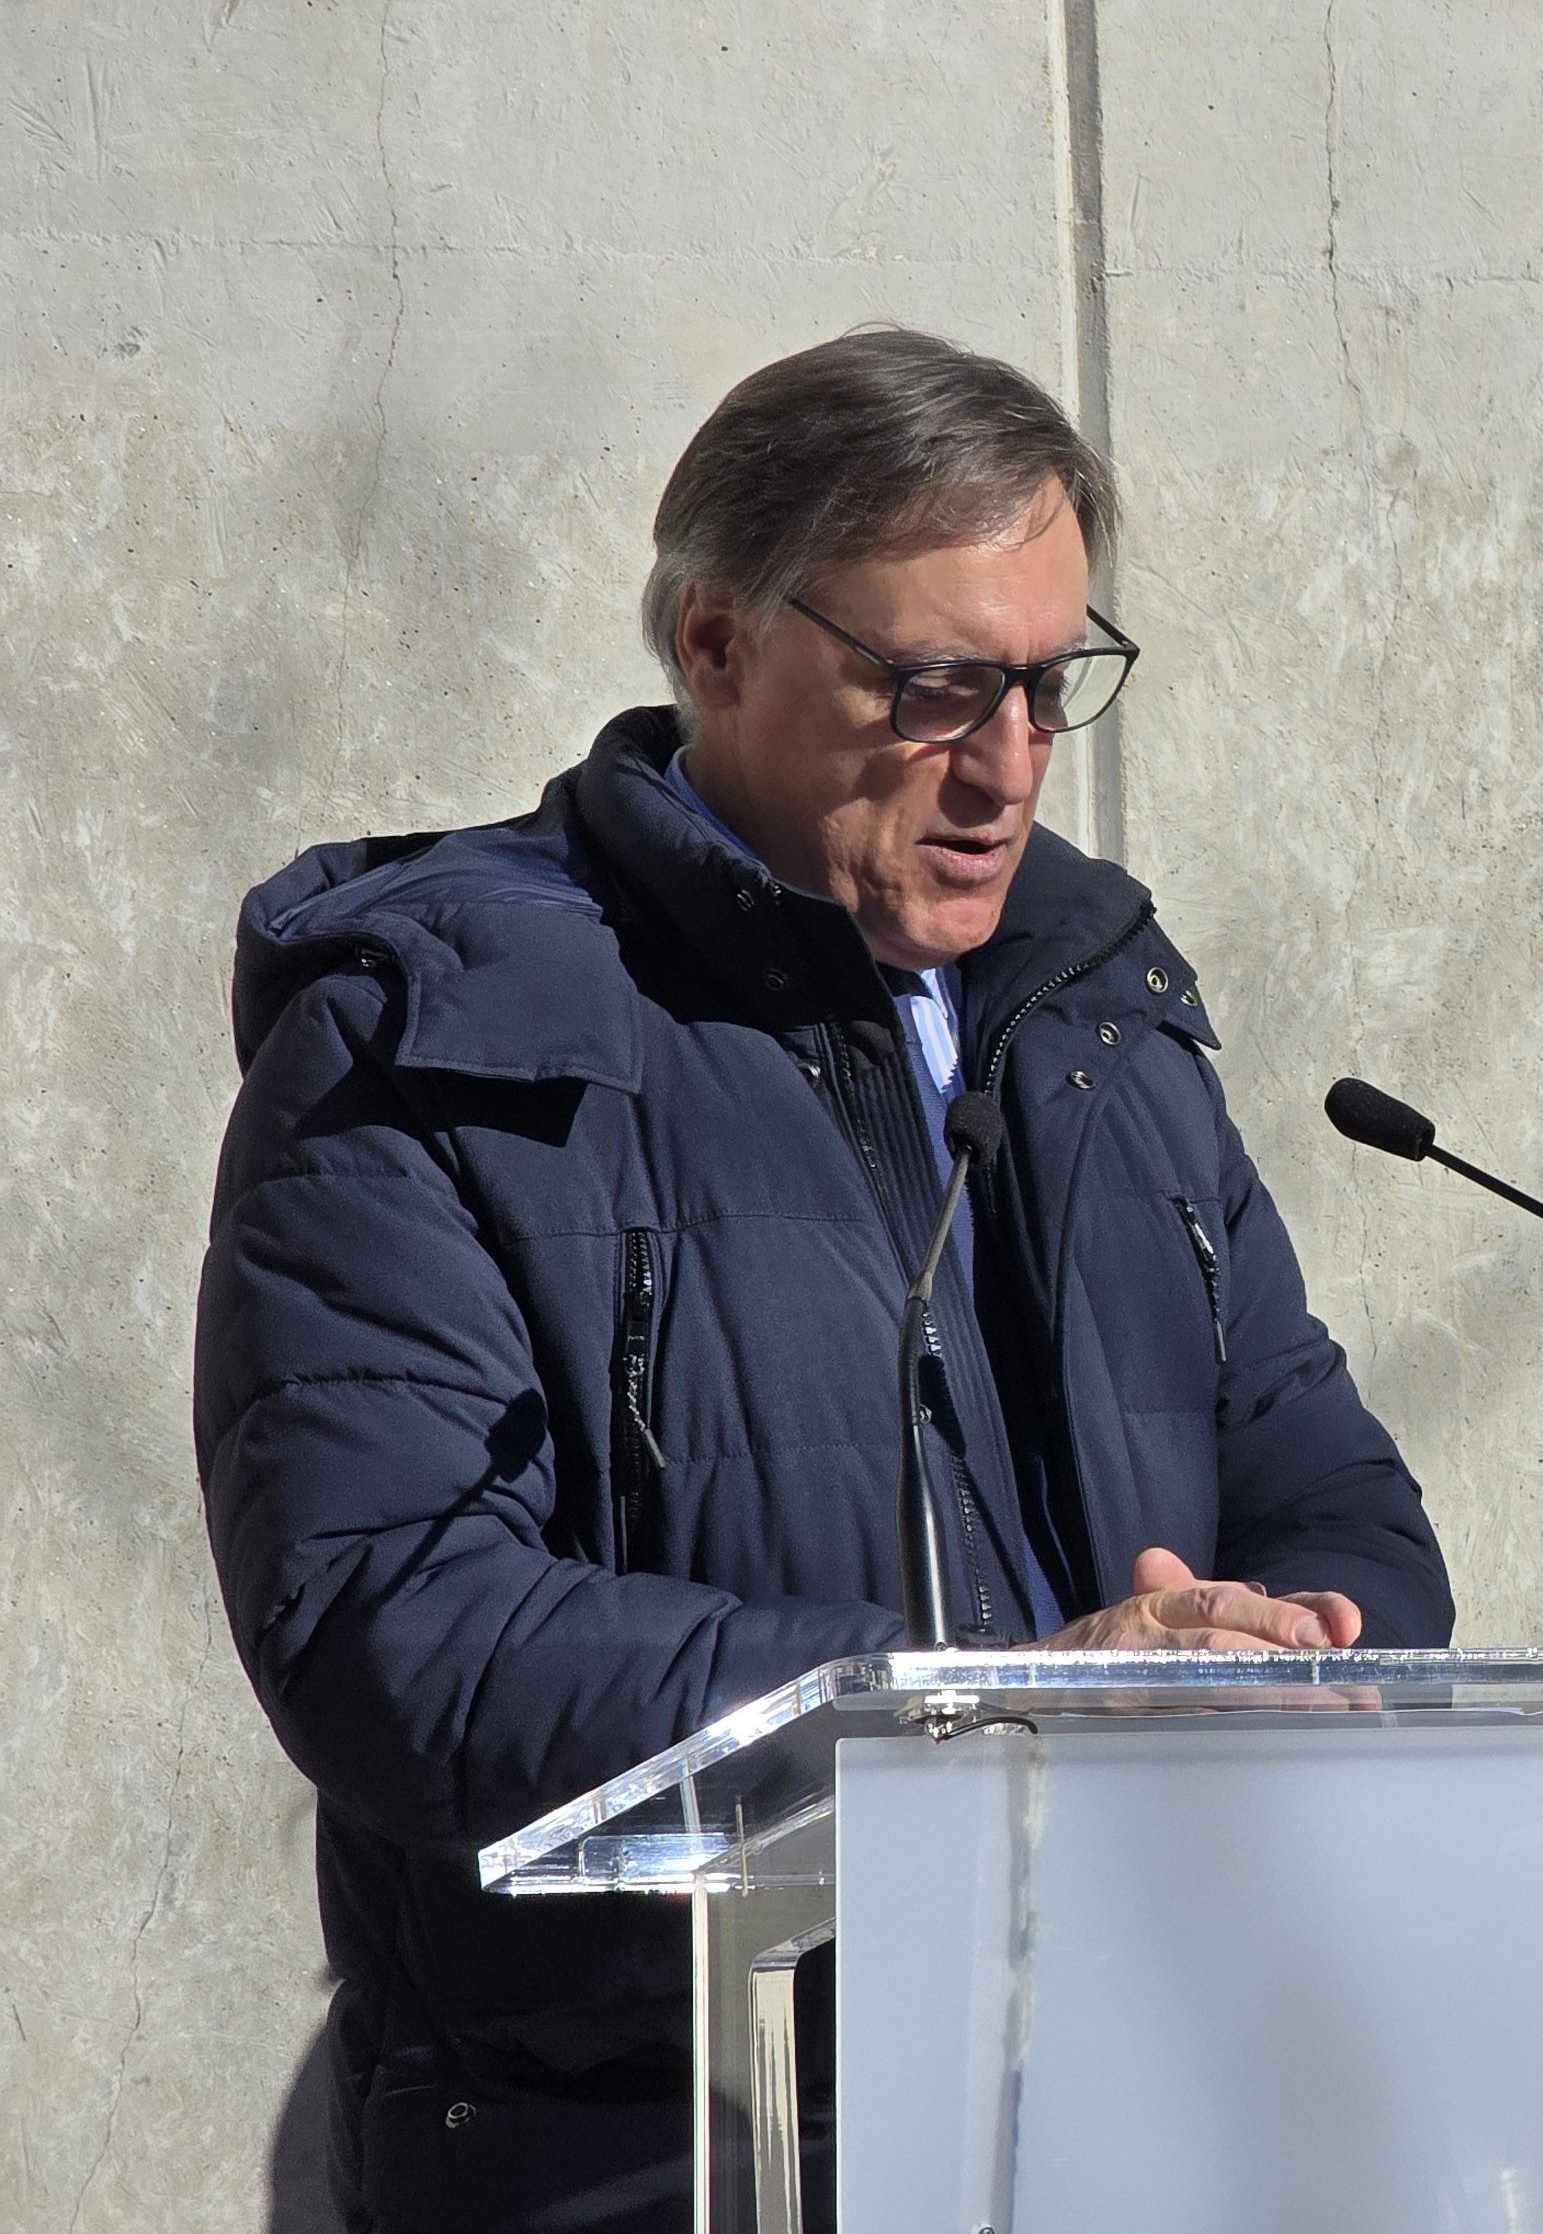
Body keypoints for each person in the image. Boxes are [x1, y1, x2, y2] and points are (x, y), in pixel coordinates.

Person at [194, 328, 1455, 2233]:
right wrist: (974, 1711)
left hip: (1138, 2107)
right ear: (714, 642)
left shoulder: (1092, 1010)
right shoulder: (441, 1038)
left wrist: (1284, 1656)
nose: (1011, 767)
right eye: (940, 687)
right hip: (663, 2150)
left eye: (1053, 682)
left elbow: (1329, 1486)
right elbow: (390, 1626)